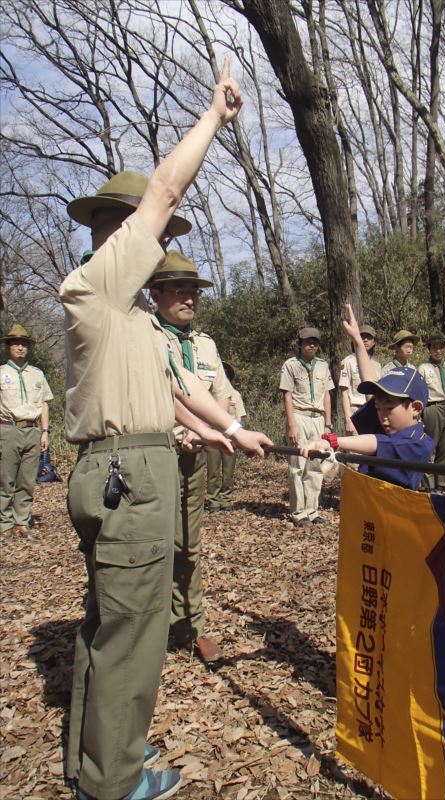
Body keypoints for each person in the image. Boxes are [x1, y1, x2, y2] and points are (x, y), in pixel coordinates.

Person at [61, 61, 271, 800]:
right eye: (137, 223)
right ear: (112, 231)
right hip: (129, 477)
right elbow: (167, 188)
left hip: (126, 466)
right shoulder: (98, 286)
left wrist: (230, 431)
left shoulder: (130, 316)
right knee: (133, 638)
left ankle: (99, 759)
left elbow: (175, 393)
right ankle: (113, 783)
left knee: (110, 630)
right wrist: (214, 117)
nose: (150, 234)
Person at [148, 251, 231, 664]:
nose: (189, 299)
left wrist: (228, 430)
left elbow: (220, 396)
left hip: (195, 457)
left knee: (189, 543)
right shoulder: (144, 337)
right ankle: (151, 627)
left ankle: (191, 624)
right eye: (178, 290)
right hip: (152, 458)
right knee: (151, 544)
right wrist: (179, 431)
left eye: (194, 291)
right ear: (155, 294)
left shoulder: (205, 345)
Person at [301, 369, 433, 490]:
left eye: (389, 408)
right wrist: (359, 345)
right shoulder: (390, 426)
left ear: (416, 408)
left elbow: (377, 442)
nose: (382, 416)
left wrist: (331, 441)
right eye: (378, 408)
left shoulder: (420, 444)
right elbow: (371, 392)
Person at [0, 324, 53, 541]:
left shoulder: (37, 374)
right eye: (16, 344)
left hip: (32, 431)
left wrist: (45, 431)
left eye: (24, 344)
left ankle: (21, 521)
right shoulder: (2, 373)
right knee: (5, 479)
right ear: (8, 348)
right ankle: (4, 525)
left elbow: (44, 405)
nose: (20, 348)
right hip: (8, 429)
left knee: (27, 480)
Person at [279, 327, 334, 527]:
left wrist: (328, 424)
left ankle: (313, 510)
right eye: (307, 342)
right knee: (297, 467)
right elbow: (287, 395)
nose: (311, 345)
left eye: (315, 342)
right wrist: (292, 424)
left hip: (318, 419)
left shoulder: (323, 365)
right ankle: (298, 512)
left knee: (316, 466)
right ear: (300, 344)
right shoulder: (291, 365)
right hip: (300, 417)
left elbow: (328, 394)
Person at [418, 331, 445, 491]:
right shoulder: (424, 368)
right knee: (429, 445)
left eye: (441, 347)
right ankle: (428, 483)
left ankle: (441, 483)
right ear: (429, 349)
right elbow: (420, 392)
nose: (438, 351)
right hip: (432, 407)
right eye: (435, 347)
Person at [205, 361, 246, 511]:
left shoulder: (235, 395)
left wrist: (237, 438)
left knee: (228, 472)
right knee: (213, 471)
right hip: (213, 438)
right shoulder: (207, 395)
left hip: (230, 439)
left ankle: (226, 499)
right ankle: (214, 500)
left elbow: (239, 419)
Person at [338, 324, 381, 435]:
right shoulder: (347, 362)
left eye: (369, 337)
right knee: (355, 451)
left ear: (374, 342)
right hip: (355, 411)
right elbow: (344, 392)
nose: (365, 340)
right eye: (362, 337)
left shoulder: (377, 365)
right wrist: (348, 419)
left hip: (373, 411)